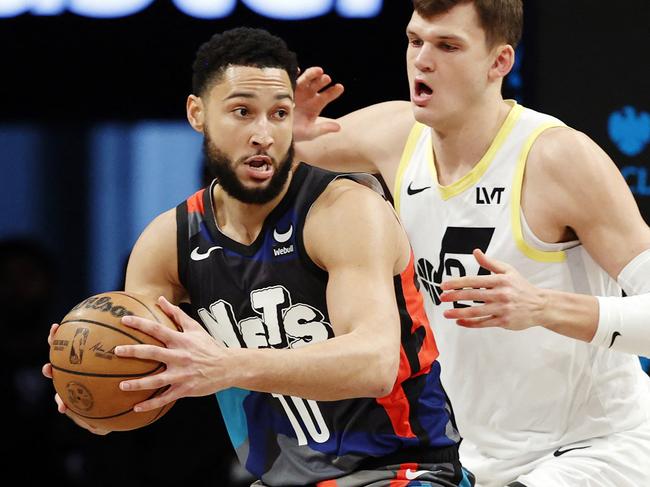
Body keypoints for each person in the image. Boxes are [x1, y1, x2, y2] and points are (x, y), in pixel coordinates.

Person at [43, 27, 475, 487]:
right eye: (242, 112)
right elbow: (144, 375)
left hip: (401, 471)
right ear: (197, 113)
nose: (263, 134)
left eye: (279, 114)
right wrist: (100, 401)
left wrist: (226, 366)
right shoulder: (167, 241)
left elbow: (374, 363)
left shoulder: (345, 211)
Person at [293, 1, 650, 486]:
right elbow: (271, 160)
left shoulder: (558, 158)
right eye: (416, 40)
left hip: (593, 451)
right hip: (475, 458)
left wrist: (542, 306)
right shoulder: (395, 134)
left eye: (448, 46)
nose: (422, 60)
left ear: (498, 62)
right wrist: (279, 127)